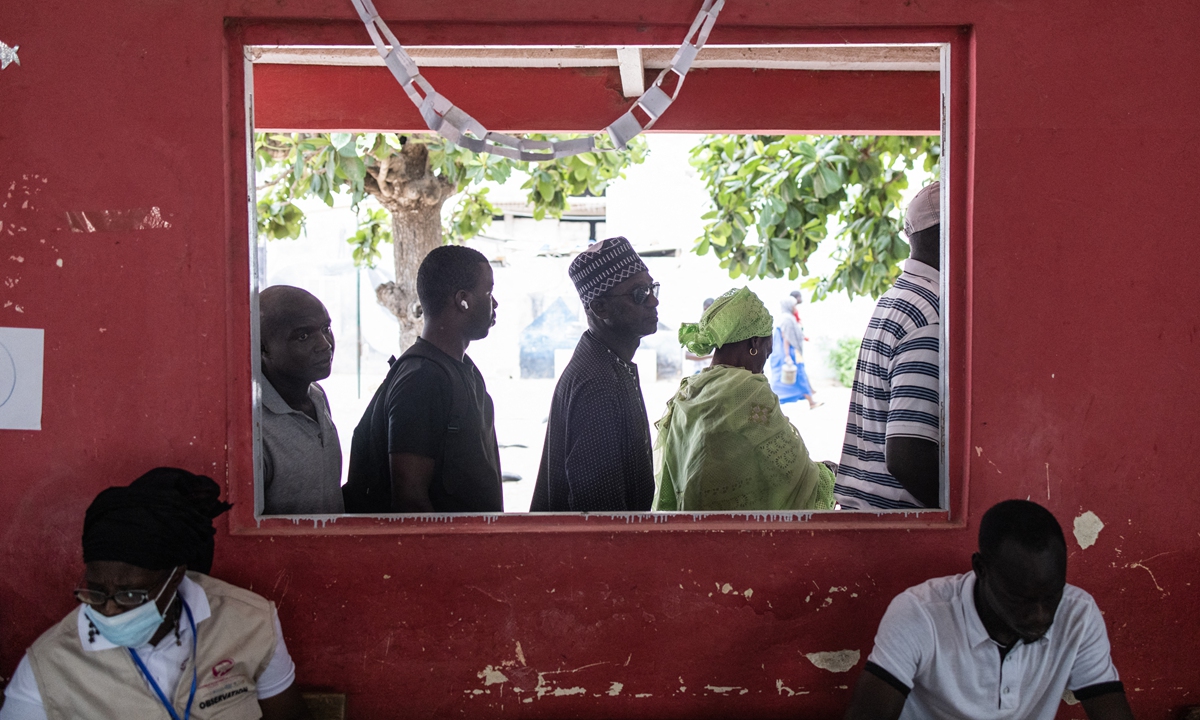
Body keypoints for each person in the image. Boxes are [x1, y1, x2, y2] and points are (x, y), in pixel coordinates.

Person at [0, 468, 312, 720]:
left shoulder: (248, 621)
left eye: (130, 595)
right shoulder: (50, 664)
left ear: (175, 577)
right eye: (95, 593)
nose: (108, 610)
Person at [843, 499, 1134, 720]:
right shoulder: (920, 614)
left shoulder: (1078, 615)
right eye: (1021, 598)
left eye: (1052, 596)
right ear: (981, 569)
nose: (1041, 615)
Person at [343, 245, 502, 513]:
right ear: (462, 300)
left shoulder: (463, 369)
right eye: (488, 292)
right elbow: (409, 499)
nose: (494, 303)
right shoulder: (421, 379)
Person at [652, 287, 836, 512]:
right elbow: (791, 473)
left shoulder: (690, 390)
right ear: (755, 344)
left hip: (692, 527)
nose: (763, 367)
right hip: (734, 533)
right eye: (767, 353)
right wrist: (829, 474)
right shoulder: (747, 390)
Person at [530, 236, 658, 512]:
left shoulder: (607, 363)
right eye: (639, 293)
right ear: (600, 308)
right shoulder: (597, 384)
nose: (653, 300)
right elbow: (601, 518)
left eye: (652, 288)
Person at [834, 181, 941, 509]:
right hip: (899, 526)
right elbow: (906, 457)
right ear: (947, 234)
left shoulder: (900, 297)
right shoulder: (931, 312)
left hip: (868, 519)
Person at [258, 285, 343, 515]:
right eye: (303, 336)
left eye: (326, 328)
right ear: (263, 348)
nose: (325, 344)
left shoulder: (317, 396)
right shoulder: (254, 427)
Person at [768, 296, 821, 409]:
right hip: (791, 353)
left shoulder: (783, 318)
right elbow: (787, 337)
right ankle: (811, 402)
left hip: (787, 353)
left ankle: (773, 402)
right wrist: (787, 356)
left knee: (793, 377)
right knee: (800, 375)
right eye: (794, 305)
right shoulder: (788, 319)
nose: (795, 308)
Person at [683, 297, 716, 375]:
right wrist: (711, 357)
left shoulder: (715, 329)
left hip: (709, 374)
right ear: (705, 309)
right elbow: (687, 355)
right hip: (695, 374)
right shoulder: (693, 328)